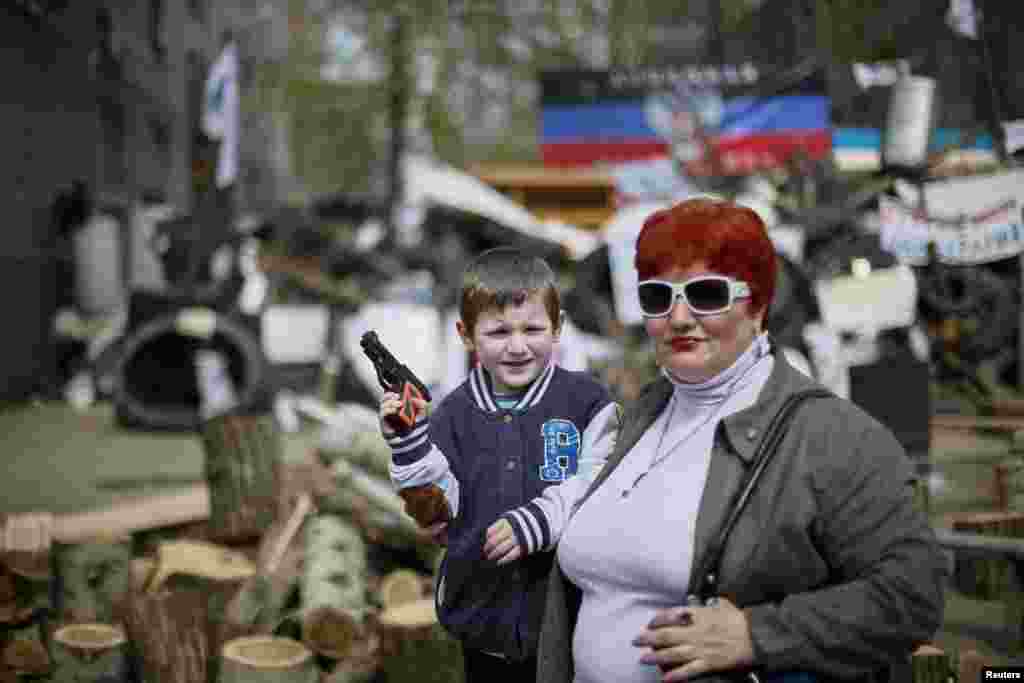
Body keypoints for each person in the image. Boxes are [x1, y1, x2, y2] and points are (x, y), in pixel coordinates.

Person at [537, 198, 947, 683]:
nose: (679, 316)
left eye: (706, 294)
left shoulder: (829, 435)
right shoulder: (636, 419)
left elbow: (912, 591)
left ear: (757, 306)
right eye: (657, 297)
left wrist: (757, 635)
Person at [379, 246, 620, 681]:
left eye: (532, 329)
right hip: (481, 621)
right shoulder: (452, 415)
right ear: (466, 334)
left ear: (558, 327)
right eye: (497, 332)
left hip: (570, 624)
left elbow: (601, 483)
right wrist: (409, 443)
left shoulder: (588, 403)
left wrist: (539, 523)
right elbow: (438, 512)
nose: (517, 346)